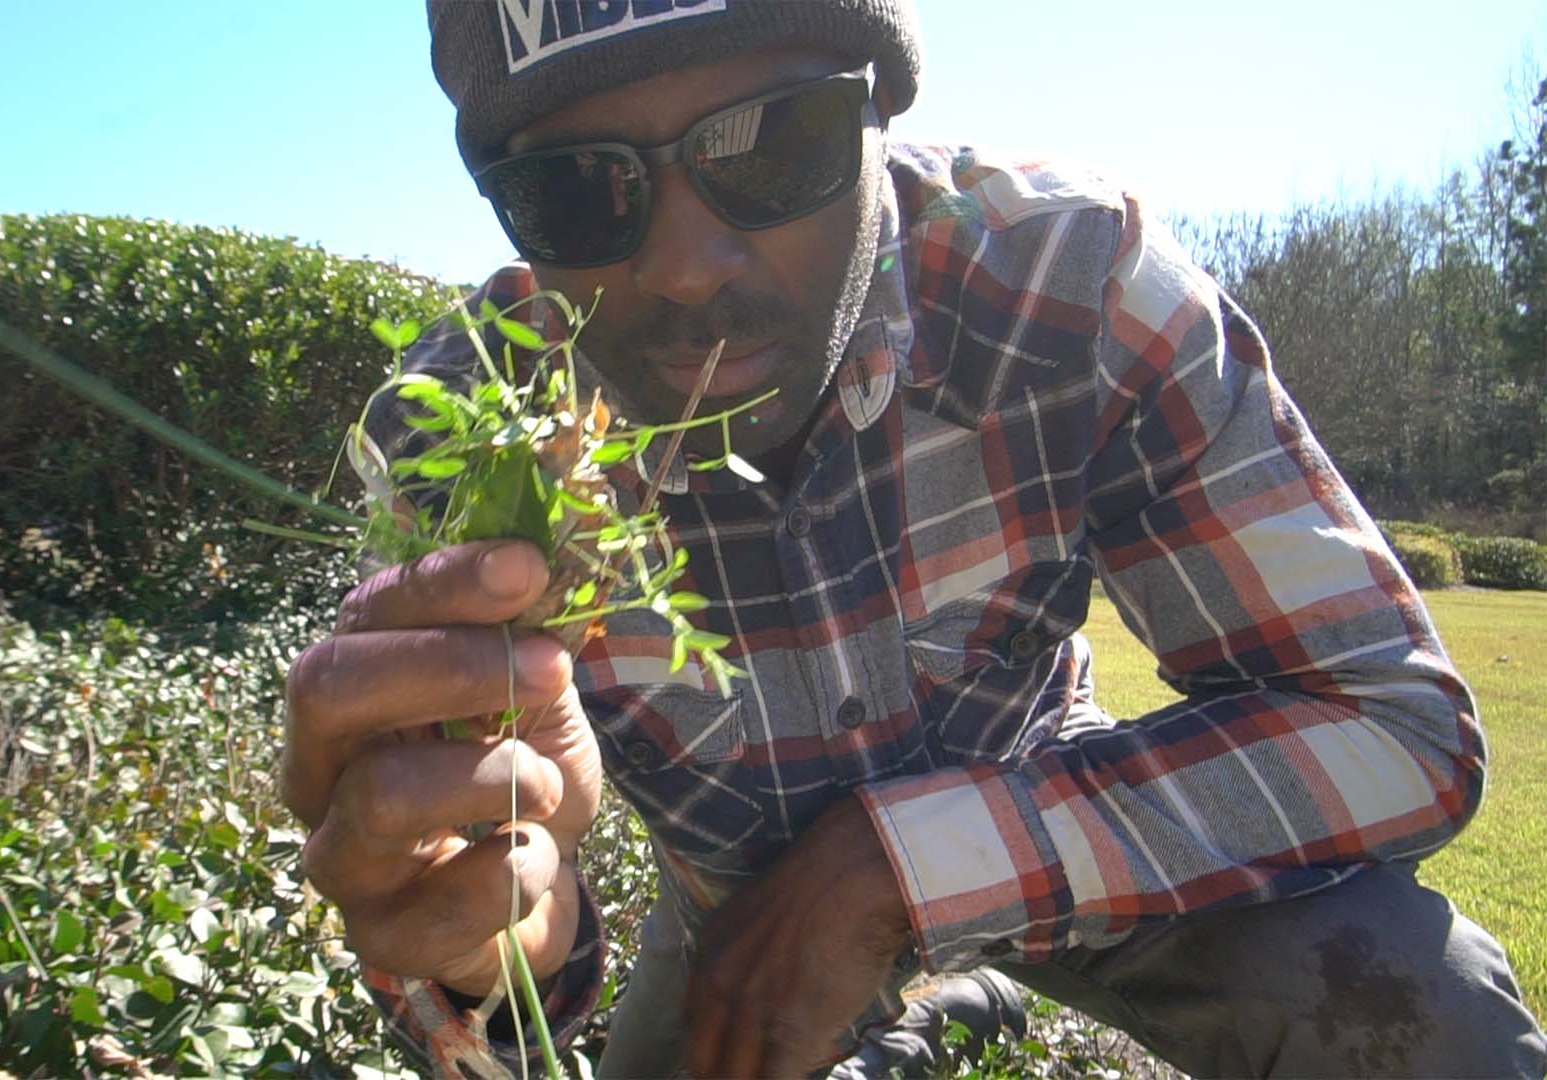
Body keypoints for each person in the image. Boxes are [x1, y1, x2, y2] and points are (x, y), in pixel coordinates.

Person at [280, 2, 1547, 1076]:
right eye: (575, 192)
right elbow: (472, 950)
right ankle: (944, 1004)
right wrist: (497, 954)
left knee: (1429, 1010)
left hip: (1049, 795)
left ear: (880, 109)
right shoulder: (472, 439)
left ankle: (951, 972)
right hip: (729, 898)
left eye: (776, 145)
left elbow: (1392, 725)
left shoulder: (1073, 276)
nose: (683, 266)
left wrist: (884, 877)